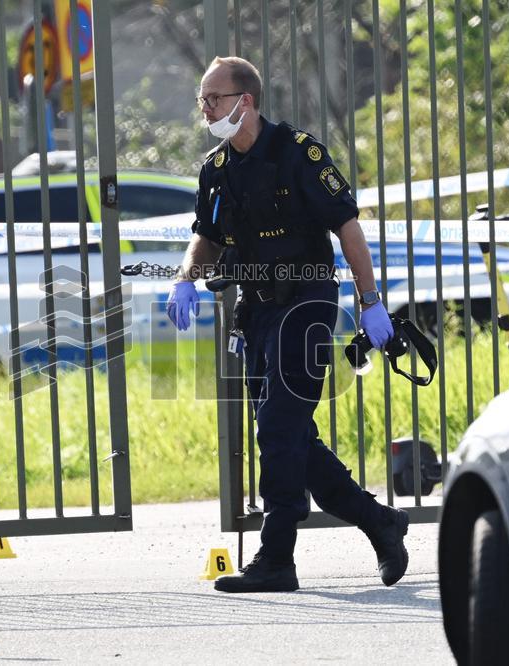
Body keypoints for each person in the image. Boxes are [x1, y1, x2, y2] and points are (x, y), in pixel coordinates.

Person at [166, 56, 409, 593]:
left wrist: (370, 301)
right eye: (202, 100)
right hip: (256, 311)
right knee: (290, 433)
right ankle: (380, 522)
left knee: (277, 428)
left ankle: (277, 556)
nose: (204, 108)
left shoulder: (299, 153)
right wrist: (185, 277)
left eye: (213, 98)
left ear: (244, 102)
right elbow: (205, 234)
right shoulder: (217, 166)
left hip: (307, 304)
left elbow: (348, 229)